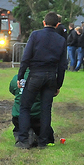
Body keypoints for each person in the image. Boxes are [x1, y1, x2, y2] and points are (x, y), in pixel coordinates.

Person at [16, 11, 67, 149]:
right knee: (46, 110)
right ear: (57, 24)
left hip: (35, 75)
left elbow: (25, 58)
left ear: (43, 23)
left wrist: (20, 76)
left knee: (25, 107)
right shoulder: (61, 40)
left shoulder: (35, 35)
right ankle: (43, 142)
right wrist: (58, 84)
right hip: (51, 76)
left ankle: (23, 140)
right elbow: (62, 66)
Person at [9, 71, 54, 146]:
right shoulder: (45, 79)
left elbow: (12, 90)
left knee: (19, 126)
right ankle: (39, 137)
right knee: (49, 136)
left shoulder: (16, 78)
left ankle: (22, 134)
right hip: (38, 117)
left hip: (18, 116)